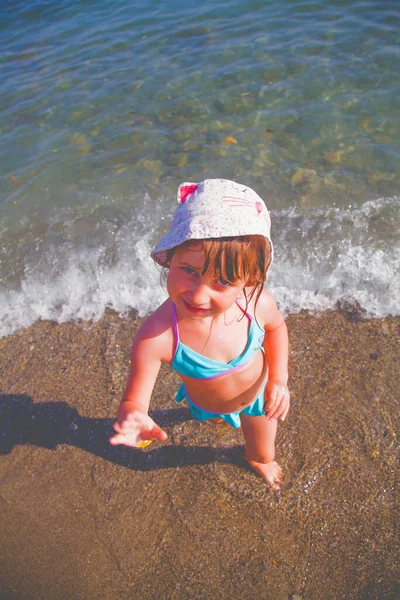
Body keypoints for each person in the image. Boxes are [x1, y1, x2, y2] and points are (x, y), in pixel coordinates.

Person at [110, 179, 290, 490]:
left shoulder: (258, 303)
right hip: (207, 403)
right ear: (170, 259)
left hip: (259, 396)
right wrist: (134, 415)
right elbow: (134, 400)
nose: (198, 294)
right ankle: (221, 418)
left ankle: (257, 459)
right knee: (217, 416)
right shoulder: (159, 336)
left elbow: (277, 329)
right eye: (189, 271)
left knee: (263, 450)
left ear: (249, 279)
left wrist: (279, 380)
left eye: (222, 281)